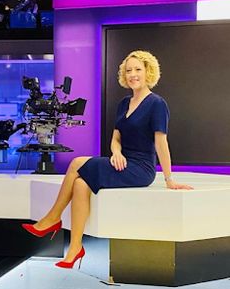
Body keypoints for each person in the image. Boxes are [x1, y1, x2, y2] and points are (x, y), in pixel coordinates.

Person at [22, 50, 193, 269]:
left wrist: (169, 178)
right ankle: (75, 248)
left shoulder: (157, 104)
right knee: (81, 184)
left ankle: (53, 217)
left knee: (76, 163)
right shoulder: (124, 103)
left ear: (148, 71)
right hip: (120, 160)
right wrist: (117, 152)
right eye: (128, 70)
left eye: (138, 69)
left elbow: (161, 142)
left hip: (141, 168)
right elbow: (116, 137)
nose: (133, 74)